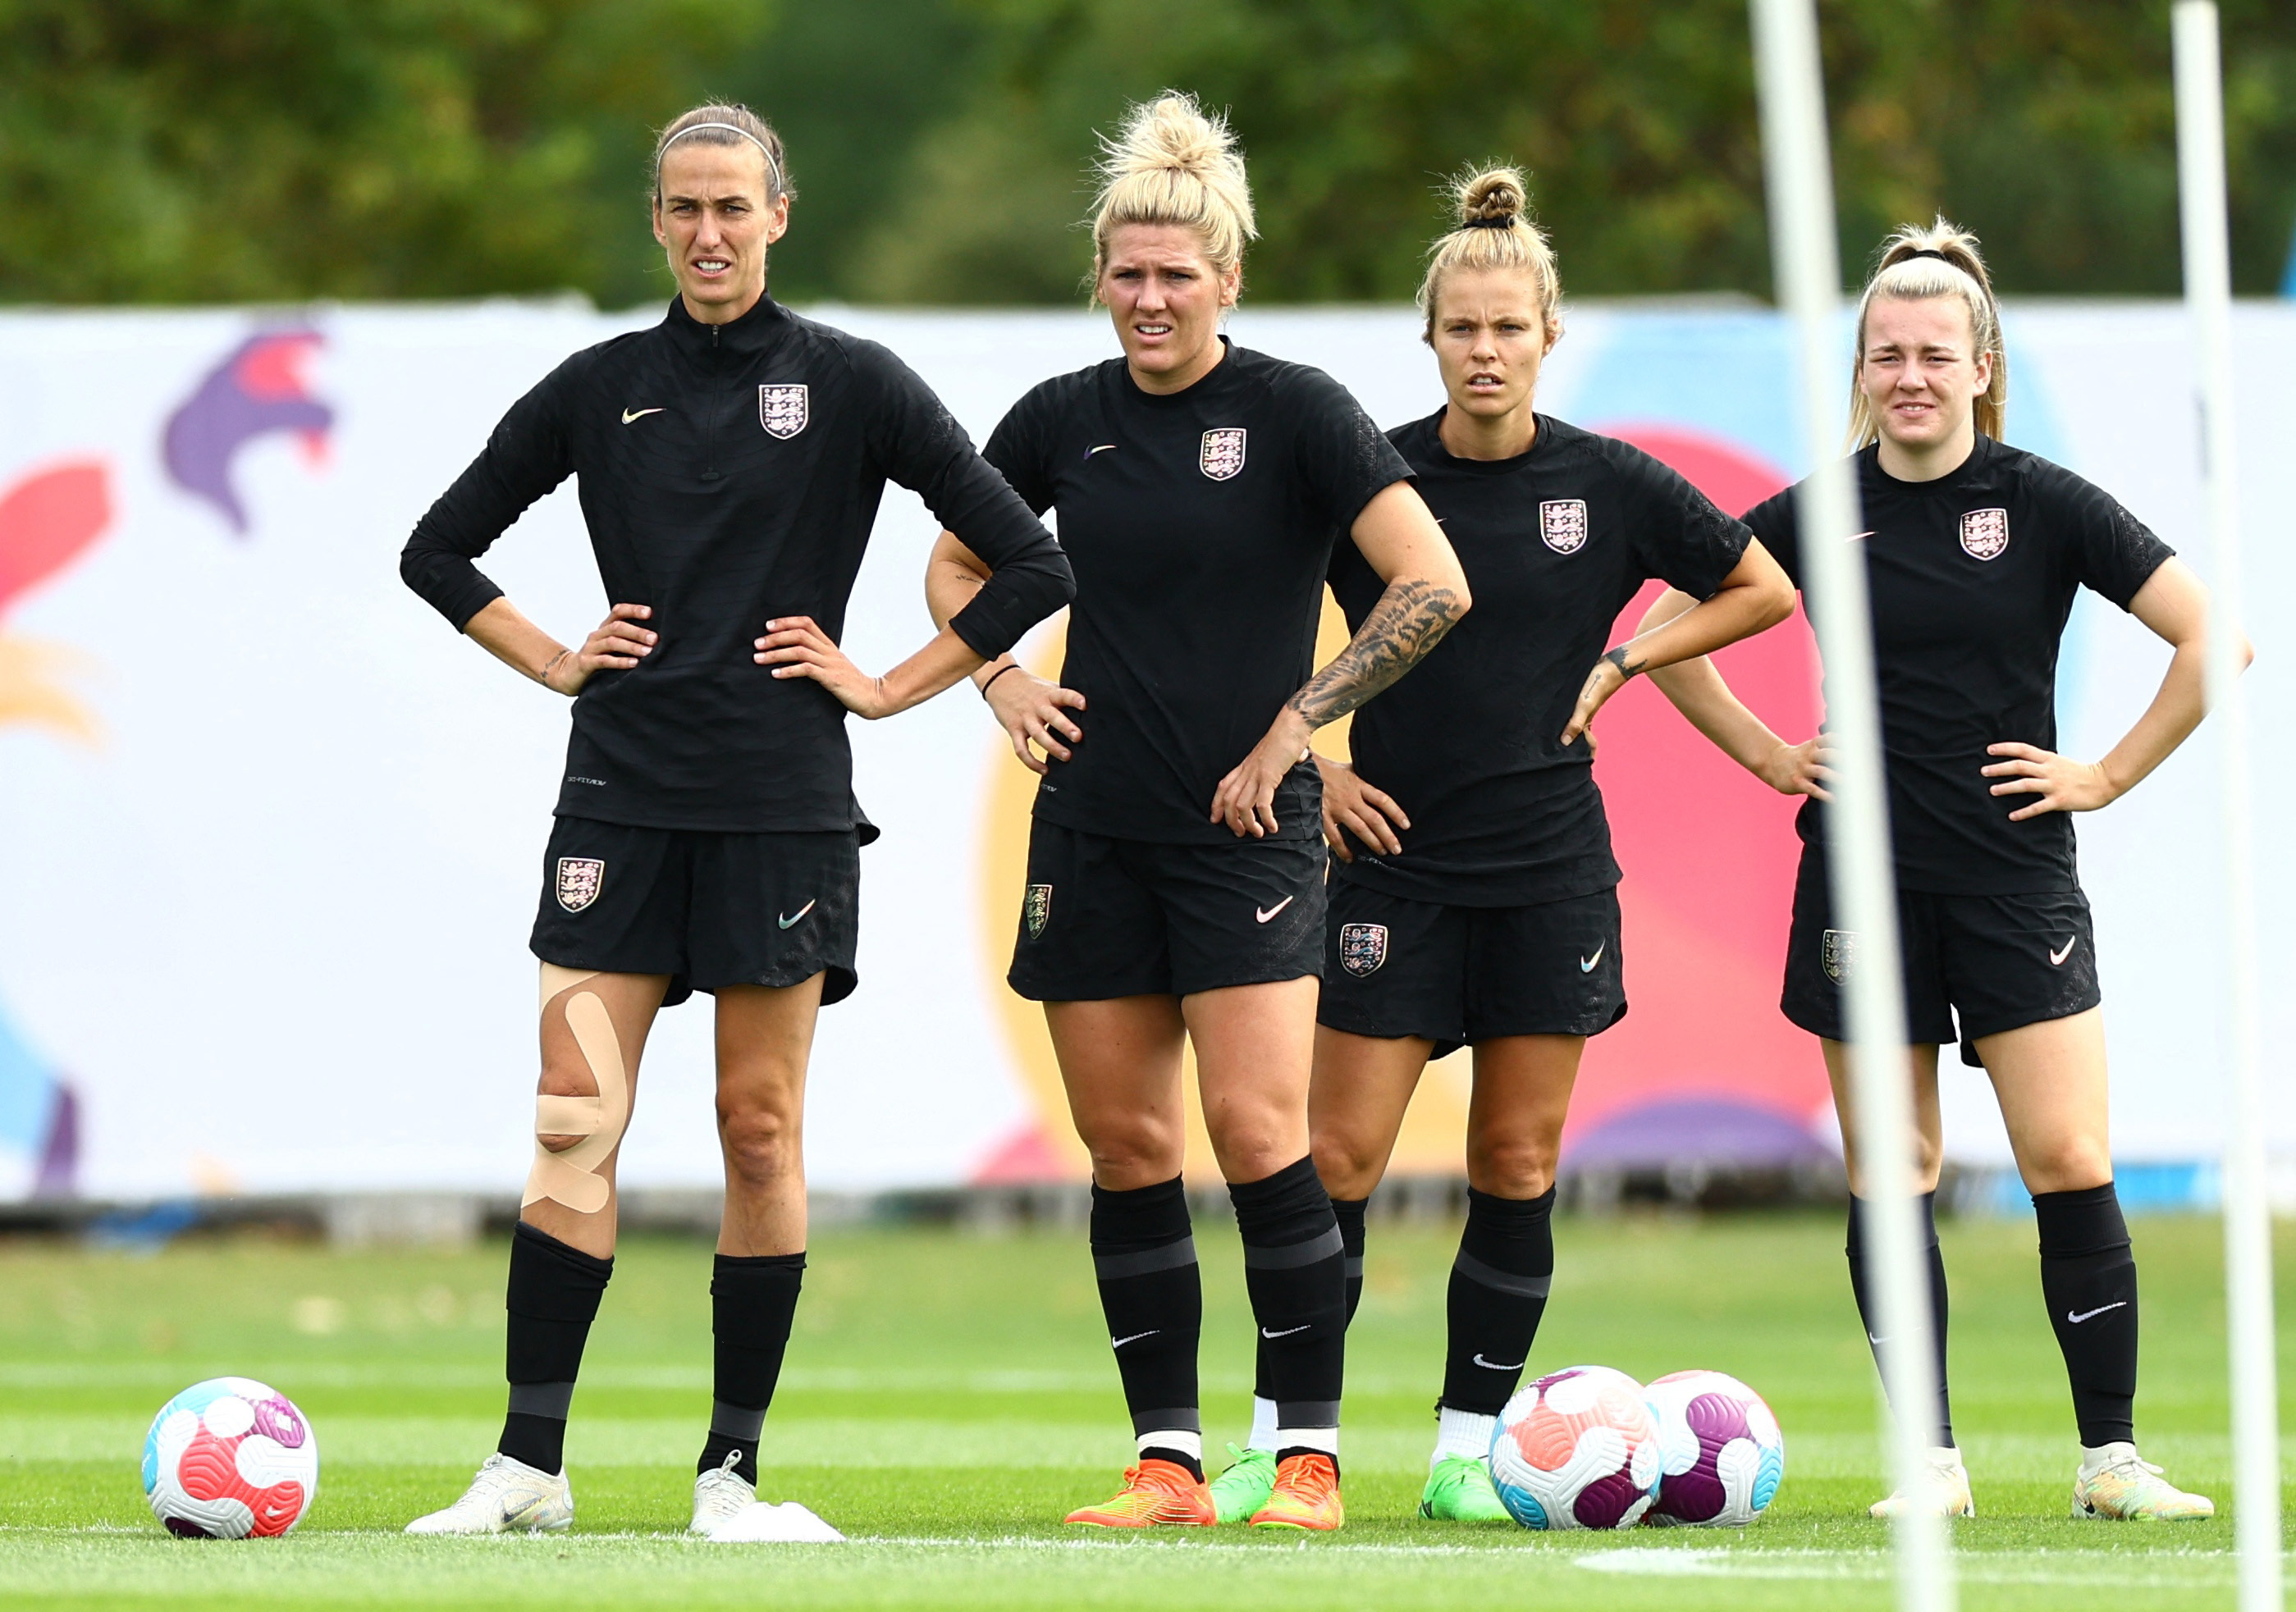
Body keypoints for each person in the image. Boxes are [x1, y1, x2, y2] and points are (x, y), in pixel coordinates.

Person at [395, 103, 1072, 1539]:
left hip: (780, 812)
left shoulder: (854, 383)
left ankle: (732, 1476)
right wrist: (557, 657)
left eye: (733, 208)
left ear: (780, 214)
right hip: (618, 803)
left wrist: (887, 685)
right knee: (574, 1122)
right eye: (685, 208)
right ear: (655, 220)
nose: (710, 232)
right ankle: (527, 1468)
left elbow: (1027, 558)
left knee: (757, 1129)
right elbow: (436, 549)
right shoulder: (596, 387)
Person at [1638, 220, 2240, 1523]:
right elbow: (1662, 632)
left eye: (1933, 353)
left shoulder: (2041, 501)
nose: (1909, 374)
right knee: (1891, 1168)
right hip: (1859, 888)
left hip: (2015, 883)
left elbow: (2210, 640)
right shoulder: (1812, 512)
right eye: (1885, 354)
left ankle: (2110, 1462)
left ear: (1979, 364)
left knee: (2066, 1152)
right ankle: (1930, 1465)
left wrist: (2101, 774)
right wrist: (1764, 754)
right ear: (1859, 371)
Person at [929, 92, 1469, 1532]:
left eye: (1177, 274)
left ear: (1227, 279)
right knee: (1124, 1150)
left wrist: (1298, 724)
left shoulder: (1296, 412)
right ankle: (1166, 1461)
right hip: (1093, 828)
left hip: (1245, 836)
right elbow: (951, 571)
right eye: (1128, 272)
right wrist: (995, 678)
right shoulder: (1056, 421)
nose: (1150, 297)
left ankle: (1305, 1456)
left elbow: (1430, 584)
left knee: (1256, 1133)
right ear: (1099, 277)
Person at [1295, 167, 1795, 1522]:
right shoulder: (1373, 478)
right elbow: (1249, 617)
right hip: (1391, 864)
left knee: (1514, 1165)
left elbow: (1757, 585)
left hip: (1547, 866)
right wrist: (1312, 757)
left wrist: (1629, 656)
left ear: (1547, 336)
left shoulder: (1609, 481)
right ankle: (1301, 1449)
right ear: (1430, 337)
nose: (1484, 349)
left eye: (1508, 327)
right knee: (1334, 1162)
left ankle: (1468, 1449)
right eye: (1461, 328)